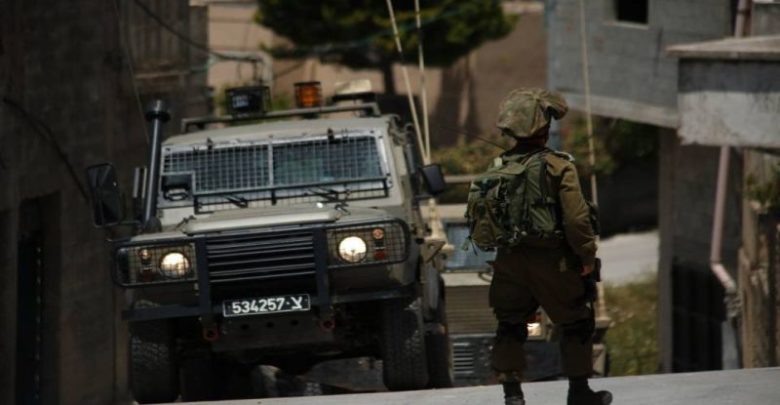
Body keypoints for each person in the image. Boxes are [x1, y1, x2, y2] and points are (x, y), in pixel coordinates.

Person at [485, 89, 612, 405]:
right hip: (554, 262)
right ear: (544, 128)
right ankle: (579, 392)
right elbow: (576, 218)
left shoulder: (497, 168)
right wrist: (586, 255)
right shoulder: (559, 166)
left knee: (510, 325)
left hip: (510, 261)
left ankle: (513, 395)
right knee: (576, 322)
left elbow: (485, 221)